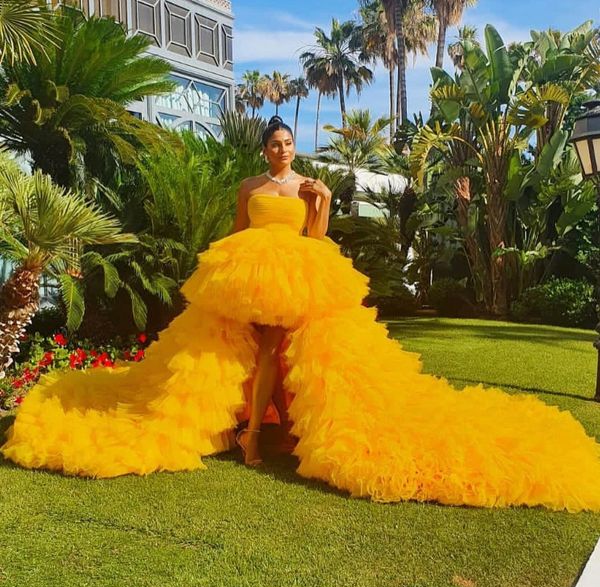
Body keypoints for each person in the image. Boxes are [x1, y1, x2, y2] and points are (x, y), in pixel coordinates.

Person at [2, 116, 600, 513]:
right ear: (265, 149)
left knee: (300, 352)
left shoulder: (309, 188)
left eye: (286, 144)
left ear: (295, 148)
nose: (280, 150)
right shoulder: (250, 186)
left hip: (301, 276)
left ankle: (271, 431)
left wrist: (327, 203)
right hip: (249, 273)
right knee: (257, 348)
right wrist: (230, 266)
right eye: (273, 144)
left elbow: (316, 240)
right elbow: (236, 233)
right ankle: (254, 434)